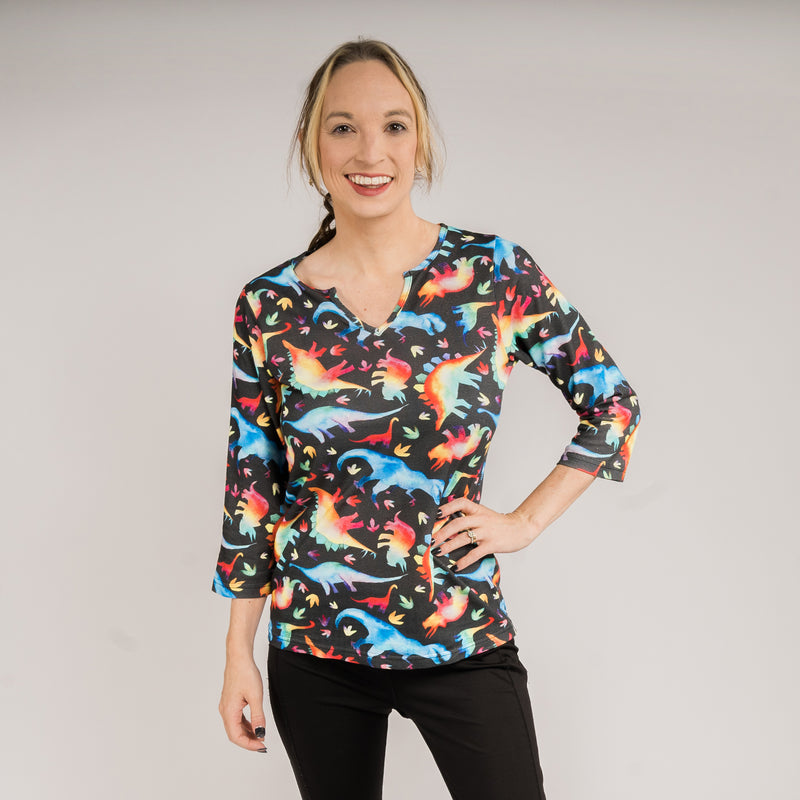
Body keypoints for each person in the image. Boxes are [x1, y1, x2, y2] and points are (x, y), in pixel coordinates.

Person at [211, 38, 640, 800]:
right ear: (312, 144)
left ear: (420, 139)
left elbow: (612, 403)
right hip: (314, 643)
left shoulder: (491, 273)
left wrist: (525, 522)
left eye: (394, 125)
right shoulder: (269, 306)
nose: (370, 152)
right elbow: (253, 487)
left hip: (460, 627)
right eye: (343, 127)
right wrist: (238, 651)